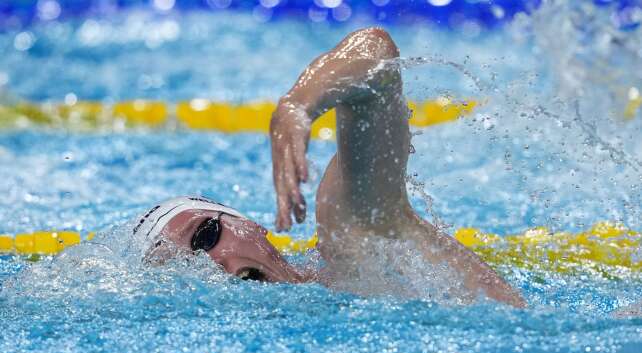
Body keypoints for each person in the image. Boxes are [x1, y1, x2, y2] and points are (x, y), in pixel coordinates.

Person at [137, 27, 526, 308]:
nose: (213, 263)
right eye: (185, 267)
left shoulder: (354, 240)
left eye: (206, 235)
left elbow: (378, 56)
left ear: (251, 226)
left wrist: (297, 103)